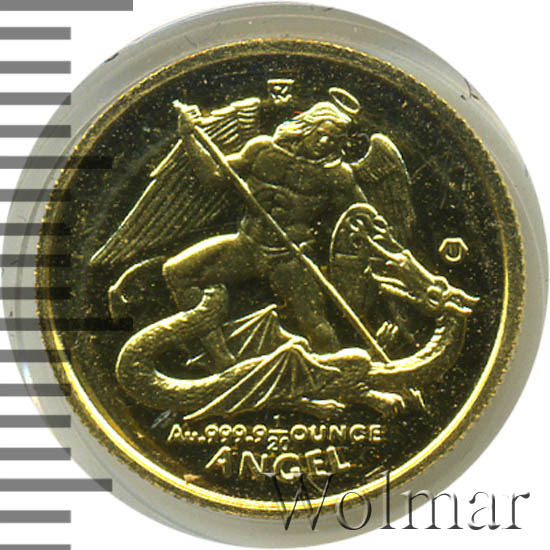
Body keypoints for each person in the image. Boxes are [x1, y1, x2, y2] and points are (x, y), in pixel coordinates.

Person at [162, 100, 367, 369]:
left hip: (289, 256)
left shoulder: (337, 175)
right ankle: (221, 360)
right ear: (307, 127)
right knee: (178, 272)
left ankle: (341, 375)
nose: (324, 142)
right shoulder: (263, 150)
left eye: (333, 140)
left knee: (314, 323)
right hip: (247, 245)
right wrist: (188, 136)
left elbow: (362, 216)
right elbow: (213, 177)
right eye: (322, 134)